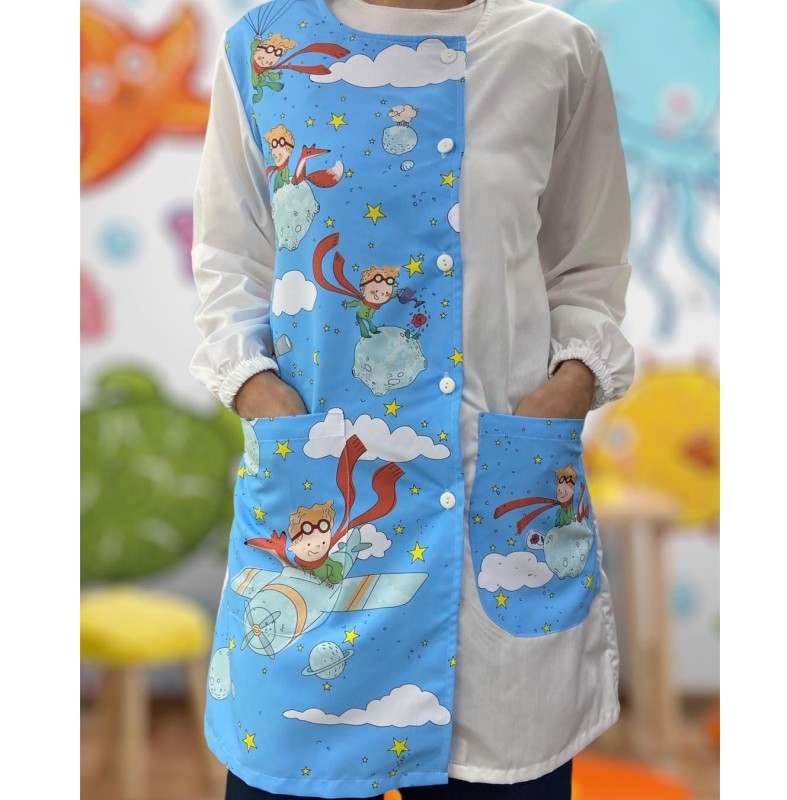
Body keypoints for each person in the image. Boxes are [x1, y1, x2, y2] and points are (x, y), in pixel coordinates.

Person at [190, 0, 635, 797]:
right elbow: (230, 263)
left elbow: (589, 266)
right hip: (321, 509)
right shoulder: (265, 49)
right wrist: (261, 395)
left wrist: (568, 390)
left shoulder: (554, 50)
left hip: (494, 505)